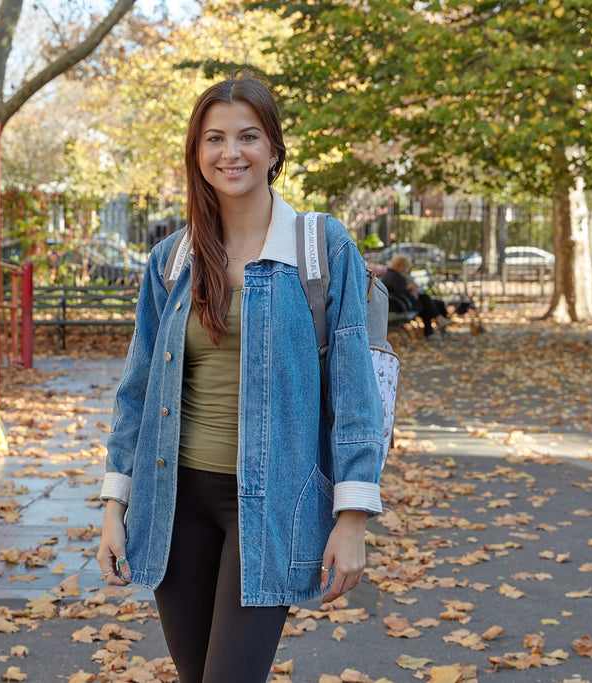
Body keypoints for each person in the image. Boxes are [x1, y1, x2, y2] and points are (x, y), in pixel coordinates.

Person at [96, 77, 385, 683]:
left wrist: (351, 518)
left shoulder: (321, 248)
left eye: (248, 136)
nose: (232, 153)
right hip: (174, 501)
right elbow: (139, 390)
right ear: (197, 153)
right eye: (215, 138)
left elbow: (356, 391)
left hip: (274, 502)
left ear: (274, 148)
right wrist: (113, 506)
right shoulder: (172, 259)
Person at [381, 254, 449, 339]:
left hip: (403, 302)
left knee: (437, 303)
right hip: (400, 305)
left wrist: (411, 289)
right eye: (405, 266)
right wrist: (411, 290)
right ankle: (436, 324)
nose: (406, 269)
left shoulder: (394, 274)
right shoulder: (393, 276)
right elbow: (402, 291)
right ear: (400, 265)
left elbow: (402, 290)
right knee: (425, 300)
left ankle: (438, 326)